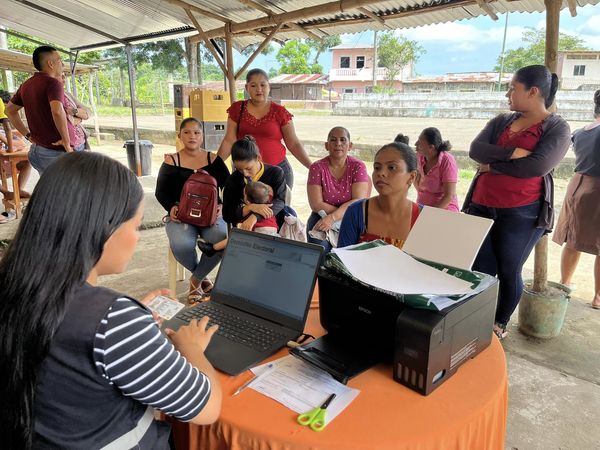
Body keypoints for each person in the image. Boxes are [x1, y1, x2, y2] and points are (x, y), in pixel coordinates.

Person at [0, 152, 221, 449]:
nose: (137, 237)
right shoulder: (111, 320)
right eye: (136, 225)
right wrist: (191, 348)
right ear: (104, 228)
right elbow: (207, 408)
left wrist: (126, 322)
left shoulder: (15, 287)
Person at [462, 64, 571, 339]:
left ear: (533, 92)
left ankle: (499, 322)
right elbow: (476, 150)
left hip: (522, 213)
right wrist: (513, 153)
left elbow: (537, 166)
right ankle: (478, 317)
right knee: (481, 267)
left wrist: (493, 167)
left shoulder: (556, 127)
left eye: (513, 88)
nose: (507, 93)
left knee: (509, 268)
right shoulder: (502, 121)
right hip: (481, 205)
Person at [155, 117, 230, 303]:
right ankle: (203, 277)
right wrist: (172, 207)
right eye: (187, 132)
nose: (192, 136)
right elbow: (160, 192)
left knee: (222, 239)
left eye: (196, 132)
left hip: (212, 215)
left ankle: (196, 280)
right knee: (182, 244)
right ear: (179, 135)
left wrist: (222, 206)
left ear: (202, 136)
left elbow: (230, 188)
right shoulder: (171, 161)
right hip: (180, 216)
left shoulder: (214, 160)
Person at [217, 68, 311, 188]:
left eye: (263, 85)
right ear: (246, 88)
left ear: (269, 87)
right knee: (242, 201)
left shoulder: (280, 112)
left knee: (280, 201)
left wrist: (311, 166)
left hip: (278, 172)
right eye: (253, 85)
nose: (259, 89)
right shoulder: (237, 109)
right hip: (244, 173)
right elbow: (229, 140)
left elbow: (293, 144)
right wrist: (215, 166)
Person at [553, 89, 600, 310]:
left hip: (577, 185)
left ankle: (565, 284)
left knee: (572, 239)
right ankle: (598, 296)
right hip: (597, 189)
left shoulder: (580, 132)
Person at [5, 46, 81, 174]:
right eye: (60, 60)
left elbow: (9, 111)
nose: (63, 64)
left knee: (49, 186)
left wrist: (27, 135)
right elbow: (57, 111)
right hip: (55, 152)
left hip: (38, 149)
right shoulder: (53, 83)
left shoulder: (26, 85)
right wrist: (66, 142)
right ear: (50, 64)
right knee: (67, 186)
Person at [338, 142, 420, 249]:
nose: (381, 173)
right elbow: (341, 258)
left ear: (412, 177)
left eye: (391, 167)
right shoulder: (356, 212)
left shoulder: (425, 218)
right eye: (377, 167)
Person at [306, 126, 370, 251]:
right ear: (326, 145)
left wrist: (334, 217)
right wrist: (337, 215)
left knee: (349, 253)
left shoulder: (358, 166)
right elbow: (316, 204)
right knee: (320, 250)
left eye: (343, 140)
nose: (338, 144)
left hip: (351, 218)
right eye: (333, 140)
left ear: (350, 145)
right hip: (322, 215)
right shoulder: (317, 167)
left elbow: (358, 201)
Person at [222, 135, 286, 231]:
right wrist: (250, 207)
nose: (245, 173)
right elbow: (227, 215)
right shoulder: (233, 180)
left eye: (248, 168)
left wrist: (255, 216)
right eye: (239, 169)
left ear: (258, 158)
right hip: (243, 230)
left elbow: (280, 202)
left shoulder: (275, 173)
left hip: (271, 228)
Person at [198, 181, 278, 256]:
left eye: (244, 194)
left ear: (247, 201)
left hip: (259, 238)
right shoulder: (269, 204)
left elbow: (242, 228)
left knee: (235, 237)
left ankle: (213, 248)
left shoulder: (250, 214)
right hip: (274, 237)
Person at [0, 96, 32, 217]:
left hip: (6, 161)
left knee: (27, 161)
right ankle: (7, 193)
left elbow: (19, 143)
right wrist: (11, 146)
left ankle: (17, 192)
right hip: (3, 161)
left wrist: (11, 147)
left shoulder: (3, 129)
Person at [414, 127, 459, 211]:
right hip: (423, 206)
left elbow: (449, 196)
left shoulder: (447, 161)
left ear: (431, 147)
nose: (415, 144)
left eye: (420, 141)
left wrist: (429, 213)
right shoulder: (419, 157)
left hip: (444, 209)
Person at [61, 73, 91, 150]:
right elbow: (67, 122)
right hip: (67, 146)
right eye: (60, 76)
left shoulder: (67, 94)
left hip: (81, 142)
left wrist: (75, 111)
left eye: (64, 76)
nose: (63, 79)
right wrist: (79, 118)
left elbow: (88, 112)